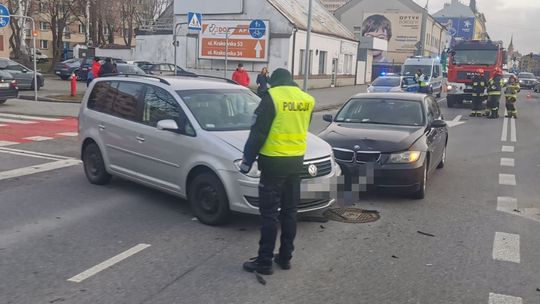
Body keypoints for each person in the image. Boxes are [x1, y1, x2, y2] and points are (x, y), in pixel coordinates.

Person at [240, 68, 315, 275]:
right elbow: (304, 127)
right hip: (296, 162)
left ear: (273, 81)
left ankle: (264, 262)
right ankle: (285, 258)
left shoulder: (271, 96)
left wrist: (247, 161)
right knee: (290, 212)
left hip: (273, 163)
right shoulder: (307, 99)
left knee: (270, 214)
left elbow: (258, 133)